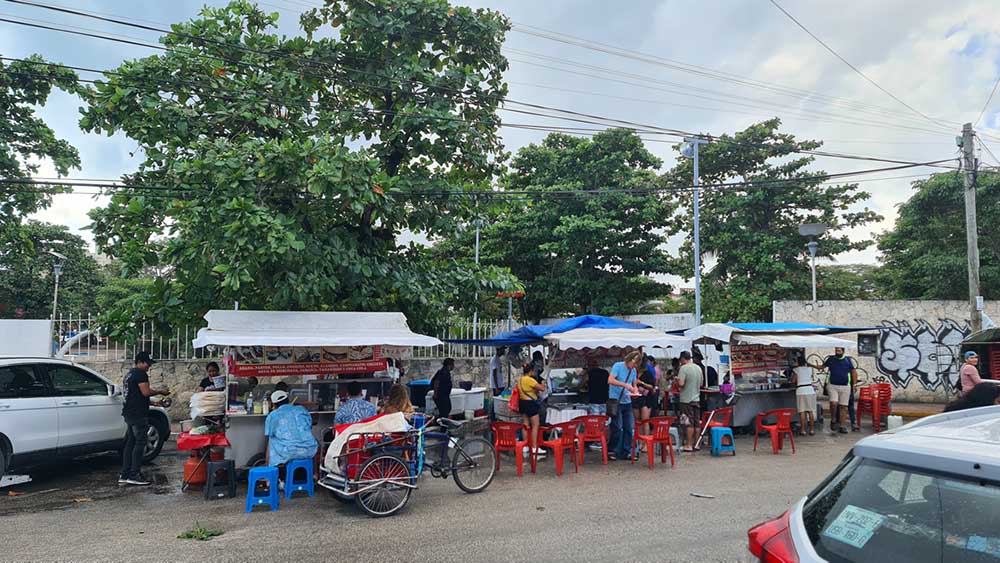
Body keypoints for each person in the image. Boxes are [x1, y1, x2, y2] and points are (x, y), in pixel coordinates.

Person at [119, 351, 169, 486]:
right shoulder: (141, 374)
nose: (149, 367)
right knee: (140, 443)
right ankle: (134, 474)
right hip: (138, 415)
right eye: (147, 363)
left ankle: (124, 474)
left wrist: (154, 403)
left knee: (130, 443)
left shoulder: (129, 374)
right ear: (140, 362)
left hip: (130, 413)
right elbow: (145, 392)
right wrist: (160, 391)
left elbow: (137, 396)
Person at [265, 389, 318, 482]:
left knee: (271, 440)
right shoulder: (301, 410)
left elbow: (269, 432)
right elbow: (309, 426)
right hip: (310, 450)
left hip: (289, 452)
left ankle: (269, 476)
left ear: (274, 404)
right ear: (288, 400)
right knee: (313, 441)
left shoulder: (273, 415)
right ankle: (314, 474)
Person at [809, 347, 857, 434]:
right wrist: (811, 365)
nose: (837, 352)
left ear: (843, 351)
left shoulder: (848, 360)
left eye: (839, 350)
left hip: (846, 386)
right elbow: (821, 366)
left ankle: (842, 426)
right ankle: (833, 419)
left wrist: (854, 385)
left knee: (843, 407)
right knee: (833, 403)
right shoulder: (831, 359)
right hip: (832, 385)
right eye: (836, 350)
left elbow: (854, 372)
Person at [607, 351, 641, 461]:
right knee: (617, 427)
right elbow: (610, 380)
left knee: (629, 428)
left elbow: (634, 384)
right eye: (634, 363)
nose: (634, 366)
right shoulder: (618, 366)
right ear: (629, 360)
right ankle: (611, 449)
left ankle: (627, 451)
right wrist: (625, 385)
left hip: (627, 402)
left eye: (636, 364)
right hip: (616, 401)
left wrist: (635, 391)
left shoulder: (634, 370)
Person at [518, 363, 547, 460]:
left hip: (522, 403)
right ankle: (534, 447)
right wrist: (543, 382)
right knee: (535, 425)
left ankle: (525, 446)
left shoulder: (520, 379)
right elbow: (542, 389)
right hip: (531, 404)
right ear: (530, 371)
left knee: (525, 425)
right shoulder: (530, 380)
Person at [677, 351, 703, 452]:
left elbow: (681, 383)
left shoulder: (683, 368)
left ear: (683, 359)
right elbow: (701, 384)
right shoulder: (698, 368)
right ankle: (697, 444)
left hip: (686, 400)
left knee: (688, 423)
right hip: (696, 399)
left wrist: (677, 381)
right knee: (696, 422)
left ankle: (688, 444)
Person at [633, 357, 657, 449]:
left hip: (646, 399)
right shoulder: (633, 373)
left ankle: (646, 443)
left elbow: (652, 387)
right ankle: (639, 441)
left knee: (645, 421)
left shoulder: (648, 374)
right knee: (637, 420)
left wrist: (641, 383)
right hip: (635, 398)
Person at [791, 356, 817, 436]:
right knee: (810, 411)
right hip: (810, 390)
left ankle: (803, 430)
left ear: (798, 362)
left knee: (802, 411)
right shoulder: (809, 369)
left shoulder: (796, 370)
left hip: (801, 391)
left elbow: (793, 380)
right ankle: (812, 430)